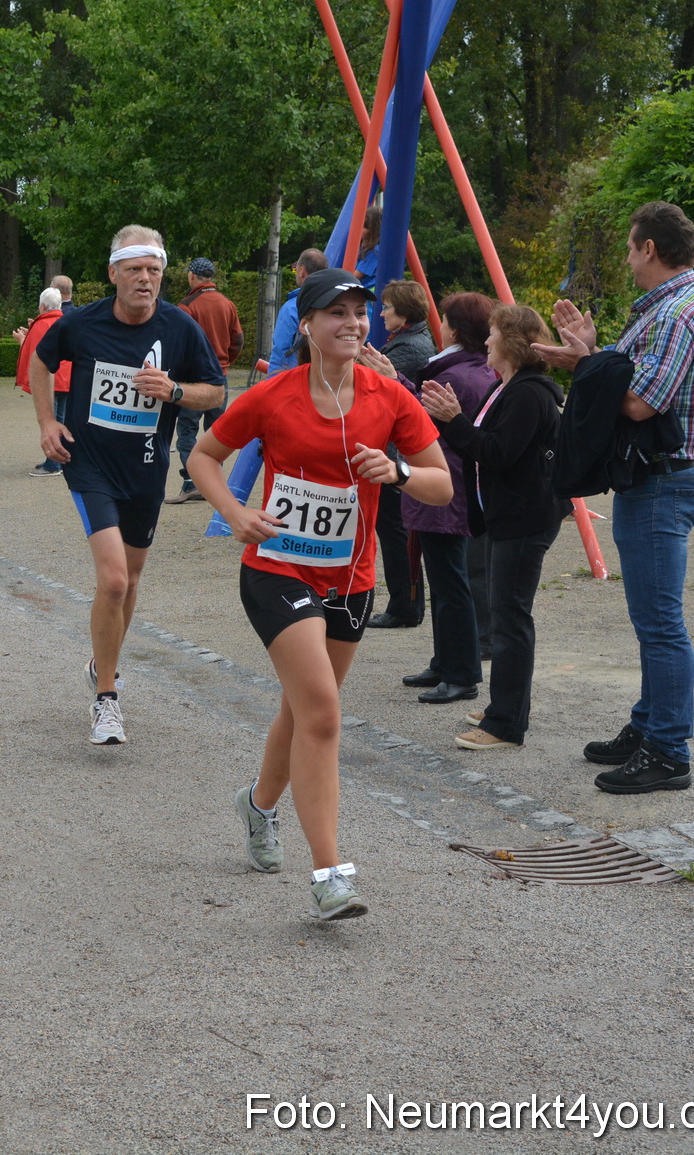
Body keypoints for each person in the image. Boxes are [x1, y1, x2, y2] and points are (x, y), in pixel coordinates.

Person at [189, 269, 451, 920]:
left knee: (304, 708)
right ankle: (331, 872)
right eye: (336, 312)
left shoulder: (388, 396)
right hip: (276, 569)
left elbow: (443, 486)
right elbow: (202, 457)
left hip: (352, 580)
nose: (353, 323)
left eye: (360, 312)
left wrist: (396, 470)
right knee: (325, 713)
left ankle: (258, 804)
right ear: (305, 325)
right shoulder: (274, 395)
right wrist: (235, 512)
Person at [533, 201, 694, 793]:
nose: (626, 257)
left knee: (661, 624)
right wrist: (590, 355)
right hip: (660, 477)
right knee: (652, 622)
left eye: (630, 246)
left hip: (662, 481)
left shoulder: (676, 313)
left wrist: (587, 360)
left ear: (650, 250)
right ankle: (649, 726)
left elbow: (641, 402)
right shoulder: (671, 306)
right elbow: (631, 380)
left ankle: (668, 751)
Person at [31, 225, 226, 745]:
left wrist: (176, 389)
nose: (146, 279)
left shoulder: (181, 328)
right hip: (89, 463)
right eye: (135, 270)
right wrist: (48, 423)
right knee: (114, 579)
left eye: (155, 271)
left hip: (145, 467)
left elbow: (216, 392)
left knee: (132, 581)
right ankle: (107, 699)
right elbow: (41, 361)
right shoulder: (83, 322)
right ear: (114, 272)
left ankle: (103, 662)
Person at [422, 305, 569, 750]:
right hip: (509, 517)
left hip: (525, 519)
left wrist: (454, 420)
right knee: (505, 616)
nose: (486, 342)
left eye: (492, 335)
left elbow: (498, 453)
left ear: (512, 343)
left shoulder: (528, 393)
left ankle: (505, 724)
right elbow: (489, 447)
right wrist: (458, 423)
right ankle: (505, 707)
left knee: (509, 621)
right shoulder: (510, 387)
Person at [366, 292, 499, 701]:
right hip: (451, 487)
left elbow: (419, 423)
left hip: (442, 488)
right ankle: (446, 662)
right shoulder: (472, 369)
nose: (439, 324)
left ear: (455, 327)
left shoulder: (456, 374)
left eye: (445, 319)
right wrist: (397, 378)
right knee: (445, 581)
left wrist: (393, 381)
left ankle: (460, 673)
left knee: (449, 581)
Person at [366, 280, 438, 629]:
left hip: (398, 454)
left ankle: (405, 606)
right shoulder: (409, 341)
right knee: (396, 532)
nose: (381, 312)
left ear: (404, 312)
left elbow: (379, 393)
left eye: (387, 307)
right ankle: (404, 603)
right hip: (397, 453)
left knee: (395, 533)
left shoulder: (409, 349)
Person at [168, 257, 243, 503]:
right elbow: (238, 340)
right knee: (218, 432)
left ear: (192, 276)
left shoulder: (187, 306)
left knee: (187, 430)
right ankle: (214, 483)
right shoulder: (227, 304)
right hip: (220, 378)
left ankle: (192, 482)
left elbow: (178, 345)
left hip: (194, 381)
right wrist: (225, 361)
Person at [17, 287, 70, 477]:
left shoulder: (41, 325)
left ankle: (53, 463)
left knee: (50, 421)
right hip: (66, 380)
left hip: (51, 380)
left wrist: (22, 340)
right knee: (61, 420)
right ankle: (58, 460)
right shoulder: (65, 321)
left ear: (42, 306)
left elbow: (36, 357)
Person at [266, 249, 328, 376]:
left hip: (296, 377)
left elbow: (281, 351)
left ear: (301, 271)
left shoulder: (292, 308)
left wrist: (272, 382)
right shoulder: (332, 303)